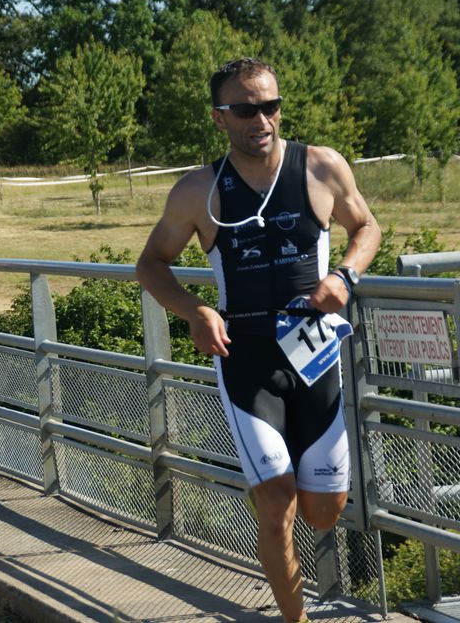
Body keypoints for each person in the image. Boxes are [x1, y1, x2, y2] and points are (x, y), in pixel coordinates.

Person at [135, 57, 380, 623]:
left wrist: (344, 275)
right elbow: (151, 265)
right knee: (275, 503)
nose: (261, 119)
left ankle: (304, 470)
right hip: (244, 356)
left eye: (270, 105)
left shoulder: (320, 167)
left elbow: (365, 227)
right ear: (220, 118)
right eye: (245, 109)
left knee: (322, 511)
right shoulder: (199, 191)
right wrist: (194, 310)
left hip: (315, 353)